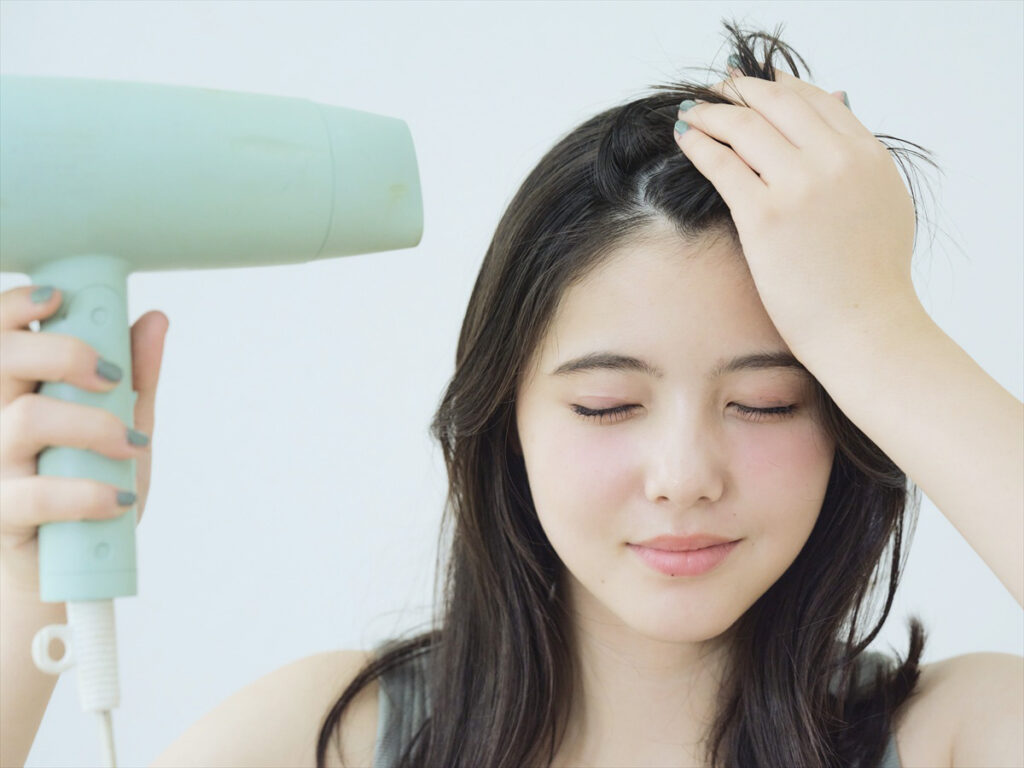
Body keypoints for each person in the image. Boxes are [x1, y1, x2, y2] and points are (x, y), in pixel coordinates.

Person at [2, 19, 1021, 768]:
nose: (684, 478)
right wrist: (21, 595)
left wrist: (874, 330)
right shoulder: (322, 741)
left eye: (765, 403)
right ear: (507, 421)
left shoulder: (956, 736)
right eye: (607, 405)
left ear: (849, 421)